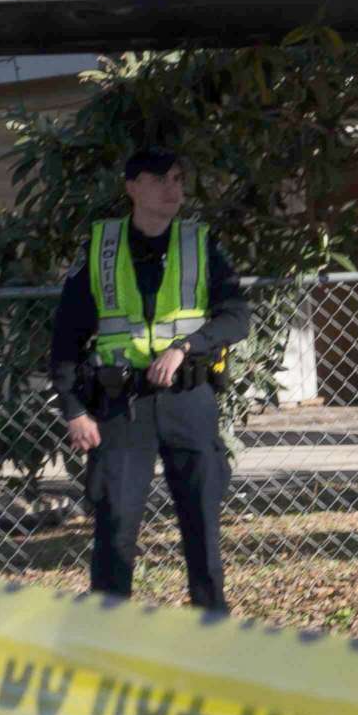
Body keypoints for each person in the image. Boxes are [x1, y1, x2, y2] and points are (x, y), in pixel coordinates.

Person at [49, 147, 250, 612]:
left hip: (189, 400)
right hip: (123, 407)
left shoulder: (199, 246)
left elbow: (237, 317)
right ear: (132, 187)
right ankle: (111, 636)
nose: (172, 189)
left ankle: (211, 627)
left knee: (201, 522)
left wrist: (186, 348)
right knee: (116, 526)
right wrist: (74, 409)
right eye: (160, 179)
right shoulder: (100, 251)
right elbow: (65, 338)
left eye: (178, 179)